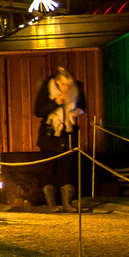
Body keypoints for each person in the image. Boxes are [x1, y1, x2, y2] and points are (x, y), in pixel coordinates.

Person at [34, 67, 84, 212]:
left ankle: (67, 203)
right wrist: (55, 102)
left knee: (66, 168)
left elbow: (82, 107)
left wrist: (77, 112)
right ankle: (52, 204)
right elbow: (38, 111)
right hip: (49, 134)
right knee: (49, 169)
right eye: (63, 85)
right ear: (56, 82)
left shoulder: (76, 89)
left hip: (68, 133)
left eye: (68, 85)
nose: (66, 88)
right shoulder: (46, 89)